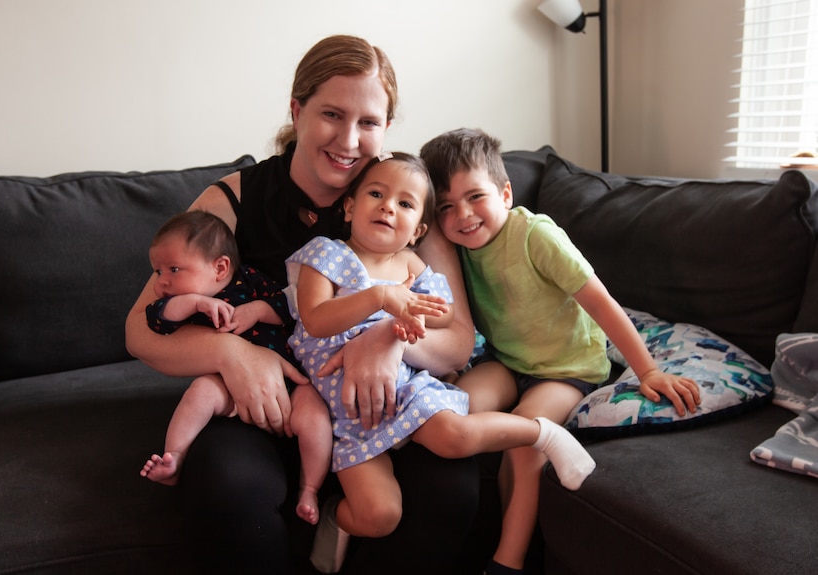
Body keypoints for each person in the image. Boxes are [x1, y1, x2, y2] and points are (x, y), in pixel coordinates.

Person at [124, 35, 481, 575]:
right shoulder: (232, 199)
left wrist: (387, 341)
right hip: (266, 410)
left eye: (369, 122)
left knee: (454, 489)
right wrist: (231, 354)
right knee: (228, 488)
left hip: (376, 408)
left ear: (386, 128)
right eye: (332, 115)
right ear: (297, 110)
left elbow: (457, 343)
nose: (349, 139)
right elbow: (139, 331)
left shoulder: (400, 200)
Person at [284, 152, 596, 573]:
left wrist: (409, 308)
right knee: (379, 515)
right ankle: (335, 520)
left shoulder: (411, 264)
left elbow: (446, 312)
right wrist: (380, 297)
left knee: (454, 437)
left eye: (406, 204)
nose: (389, 206)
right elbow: (317, 319)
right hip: (348, 414)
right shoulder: (325, 255)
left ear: (418, 231)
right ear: (350, 206)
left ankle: (543, 435)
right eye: (376, 194)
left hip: (406, 390)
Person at [420, 127, 703, 575]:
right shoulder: (454, 251)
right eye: (447, 207)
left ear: (506, 193)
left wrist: (646, 371)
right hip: (506, 361)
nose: (464, 215)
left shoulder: (535, 235)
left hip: (566, 368)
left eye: (476, 196)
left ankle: (507, 561)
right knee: (452, 410)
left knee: (522, 438)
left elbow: (600, 302)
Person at [137, 210, 332, 525]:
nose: (162, 282)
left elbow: (289, 308)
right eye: (157, 271)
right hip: (226, 384)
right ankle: (174, 457)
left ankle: (309, 488)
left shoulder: (250, 280)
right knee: (200, 392)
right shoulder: (185, 300)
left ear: (220, 267)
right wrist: (197, 303)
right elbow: (157, 317)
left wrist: (256, 310)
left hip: (290, 380)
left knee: (316, 417)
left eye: (173, 269)